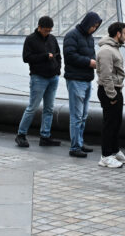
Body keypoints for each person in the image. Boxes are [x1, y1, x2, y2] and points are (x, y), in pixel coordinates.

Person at [16, 16, 61, 147]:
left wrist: (58, 69)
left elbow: (58, 55)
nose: (48, 32)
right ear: (39, 27)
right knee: (32, 107)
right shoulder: (30, 39)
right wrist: (45, 57)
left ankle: (45, 136)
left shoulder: (52, 39)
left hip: (53, 77)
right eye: (46, 30)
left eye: (50, 30)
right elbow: (26, 58)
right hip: (38, 77)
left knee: (49, 108)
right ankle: (21, 134)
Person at [63, 12, 101, 158]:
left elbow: (90, 55)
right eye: (93, 25)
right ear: (87, 23)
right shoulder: (72, 35)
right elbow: (70, 56)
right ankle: (75, 147)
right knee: (77, 115)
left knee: (83, 115)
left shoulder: (89, 38)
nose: (94, 28)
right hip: (76, 80)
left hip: (86, 79)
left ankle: (79, 142)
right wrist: (89, 62)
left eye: (96, 26)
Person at [95, 21, 125, 168]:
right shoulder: (106, 51)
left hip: (115, 90)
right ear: (118, 34)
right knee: (109, 124)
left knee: (116, 123)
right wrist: (112, 95)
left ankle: (114, 151)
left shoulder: (113, 48)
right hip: (109, 91)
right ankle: (105, 156)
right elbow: (105, 75)